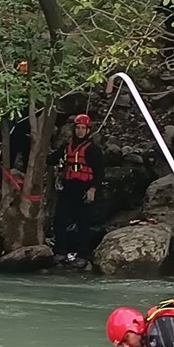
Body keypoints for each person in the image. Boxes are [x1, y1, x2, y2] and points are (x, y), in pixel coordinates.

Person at [48, 113, 104, 265]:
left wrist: (93, 189)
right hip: (68, 187)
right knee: (59, 219)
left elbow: (99, 172)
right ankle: (61, 251)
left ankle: (83, 254)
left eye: (83, 128)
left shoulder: (93, 149)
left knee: (83, 223)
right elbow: (52, 159)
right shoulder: (67, 147)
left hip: (84, 189)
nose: (80, 131)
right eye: (78, 128)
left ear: (88, 130)